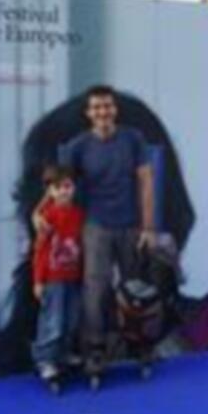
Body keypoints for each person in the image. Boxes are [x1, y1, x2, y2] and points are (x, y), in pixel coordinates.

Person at [58, 85, 157, 371]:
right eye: (97, 107)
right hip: (95, 227)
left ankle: (139, 347)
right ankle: (95, 351)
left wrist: (148, 228)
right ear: (89, 113)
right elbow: (61, 189)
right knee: (95, 290)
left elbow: (146, 182)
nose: (103, 112)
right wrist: (44, 215)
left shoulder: (133, 139)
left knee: (133, 290)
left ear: (115, 110)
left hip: (131, 227)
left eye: (108, 106)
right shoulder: (77, 147)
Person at [30, 166, 85, 388]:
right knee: (52, 322)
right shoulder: (47, 217)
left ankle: (62, 354)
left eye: (67, 186)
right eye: (58, 188)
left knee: (70, 320)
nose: (63, 191)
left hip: (72, 276)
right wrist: (38, 280)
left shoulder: (79, 214)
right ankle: (45, 360)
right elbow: (40, 251)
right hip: (52, 278)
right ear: (50, 192)